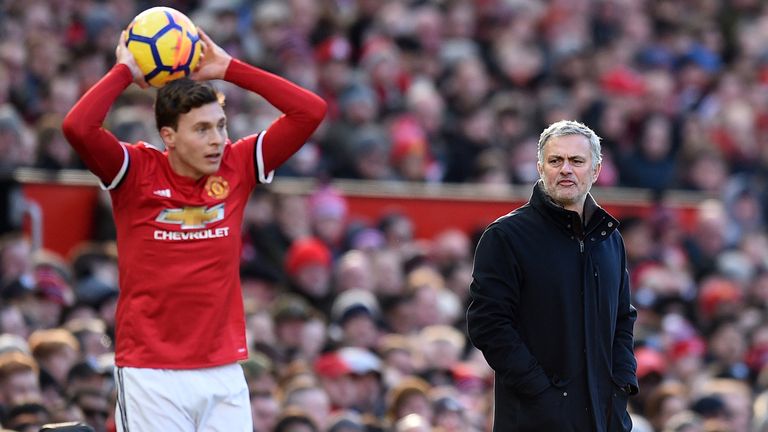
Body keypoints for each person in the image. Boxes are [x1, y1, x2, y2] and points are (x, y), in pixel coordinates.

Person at [61, 26, 327, 432]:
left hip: (223, 369)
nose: (217, 140)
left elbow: (311, 111)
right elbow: (78, 128)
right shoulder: (134, 171)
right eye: (202, 129)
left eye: (221, 126)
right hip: (151, 372)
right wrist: (122, 72)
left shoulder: (238, 166)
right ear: (168, 136)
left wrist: (230, 69)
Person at [466, 120, 638, 431]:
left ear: (596, 170)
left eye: (576, 161)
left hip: (605, 418)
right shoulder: (506, 236)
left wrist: (621, 385)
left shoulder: (610, 238)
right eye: (555, 160)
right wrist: (542, 393)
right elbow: (488, 324)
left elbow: (623, 320)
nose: (566, 170)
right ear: (540, 168)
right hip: (534, 420)